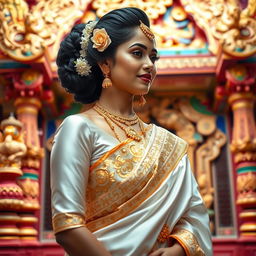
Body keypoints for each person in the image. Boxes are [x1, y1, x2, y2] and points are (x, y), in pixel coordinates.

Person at [50, 7, 212, 256]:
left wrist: (179, 249)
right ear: (105, 62)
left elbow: (195, 216)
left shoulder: (168, 142)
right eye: (137, 53)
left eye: (153, 57)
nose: (149, 65)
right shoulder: (79, 128)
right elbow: (67, 225)